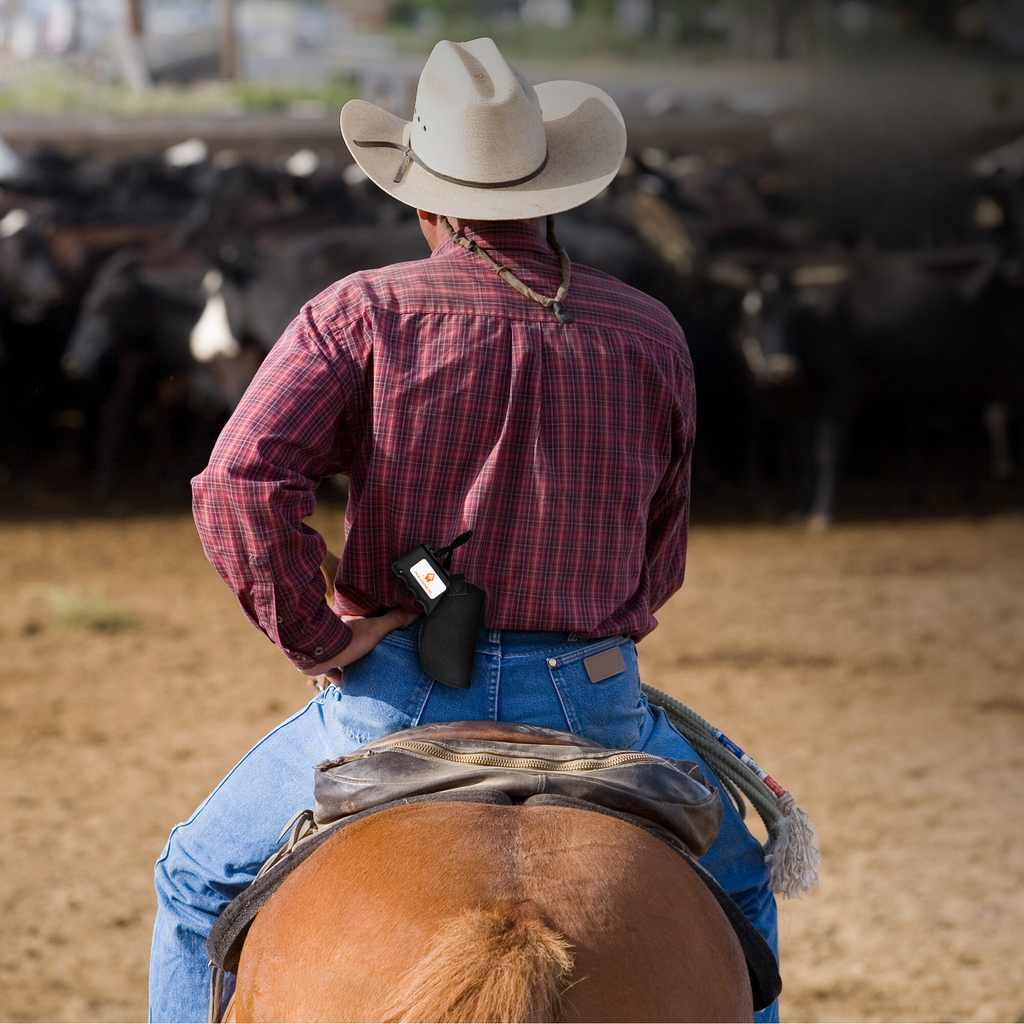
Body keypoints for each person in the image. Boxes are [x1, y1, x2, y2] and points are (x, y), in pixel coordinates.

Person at [150, 37, 779, 1023]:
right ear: (553, 190)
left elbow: (239, 482)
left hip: (397, 697)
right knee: (742, 885)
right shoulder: (650, 330)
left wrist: (319, 635)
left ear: (423, 199)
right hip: (592, 701)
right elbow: (662, 562)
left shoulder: (359, 312)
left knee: (193, 885)